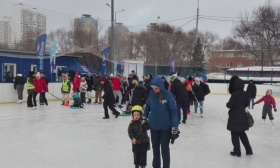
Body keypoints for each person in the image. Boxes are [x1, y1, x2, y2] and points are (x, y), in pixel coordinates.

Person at [143, 76, 179, 168]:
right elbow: (147, 107)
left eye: (156, 88)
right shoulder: (151, 94)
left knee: (165, 149)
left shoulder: (168, 95)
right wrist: (144, 118)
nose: (154, 90)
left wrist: (175, 127)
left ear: (160, 87)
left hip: (165, 128)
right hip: (153, 127)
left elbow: (174, 112)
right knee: (155, 149)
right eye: (153, 88)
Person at [226, 76, 253, 157]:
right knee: (242, 133)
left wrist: (227, 104)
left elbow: (230, 105)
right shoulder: (245, 94)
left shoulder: (234, 94)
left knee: (234, 135)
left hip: (234, 116)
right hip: (242, 115)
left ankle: (237, 152)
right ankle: (249, 150)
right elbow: (247, 104)